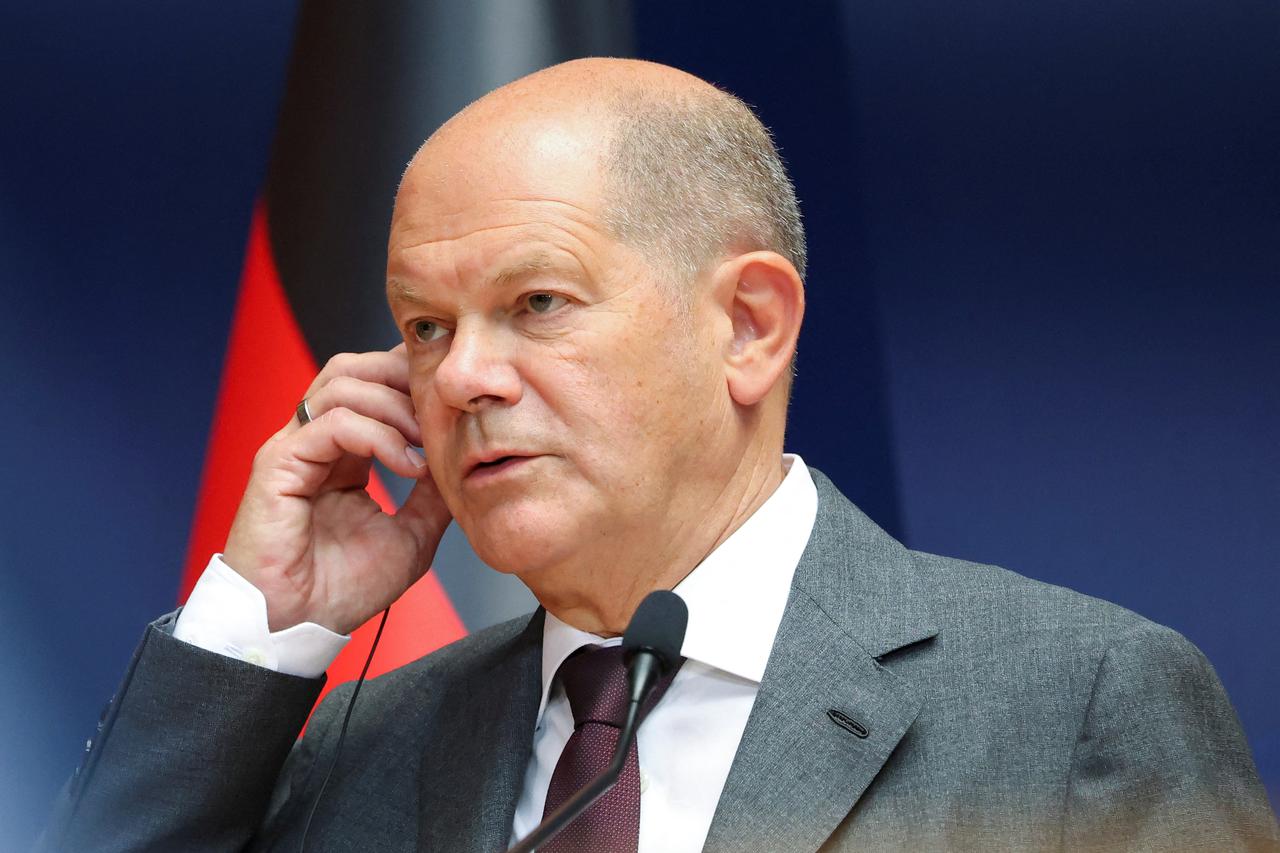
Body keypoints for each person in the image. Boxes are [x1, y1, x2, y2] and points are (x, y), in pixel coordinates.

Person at [40, 58, 1276, 852]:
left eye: (535, 303)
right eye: (423, 326)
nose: (460, 376)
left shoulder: (1071, 707)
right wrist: (265, 621)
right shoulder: (360, 740)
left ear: (747, 326)